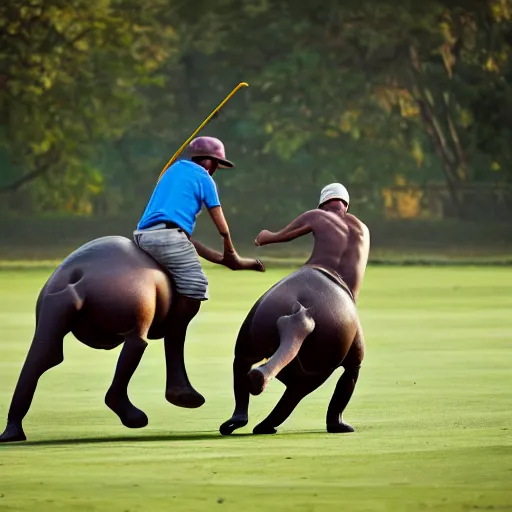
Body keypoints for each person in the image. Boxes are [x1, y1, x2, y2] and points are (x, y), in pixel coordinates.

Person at [134, 136, 263, 407]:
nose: (215, 170)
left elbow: (187, 241)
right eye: (216, 165)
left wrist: (223, 260)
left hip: (144, 235)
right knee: (196, 286)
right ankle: (171, 336)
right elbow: (220, 220)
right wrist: (230, 248)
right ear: (209, 162)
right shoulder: (204, 178)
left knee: (186, 273)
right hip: (169, 237)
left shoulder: (172, 171)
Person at [255, 182, 370, 301]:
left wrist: (263, 237)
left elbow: (276, 237)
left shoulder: (318, 215)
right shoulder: (364, 230)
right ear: (346, 206)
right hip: (348, 301)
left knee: (274, 300)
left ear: (322, 205)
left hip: (316, 283)